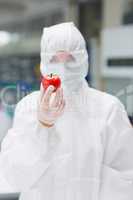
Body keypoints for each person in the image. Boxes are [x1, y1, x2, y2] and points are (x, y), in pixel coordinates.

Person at [0, 22, 133, 200]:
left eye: (70, 58)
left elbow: (126, 179)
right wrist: (42, 127)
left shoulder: (108, 108)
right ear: (44, 62)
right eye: (54, 59)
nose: (62, 68)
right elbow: (14, 176)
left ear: (83, 59)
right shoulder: (28, 108)